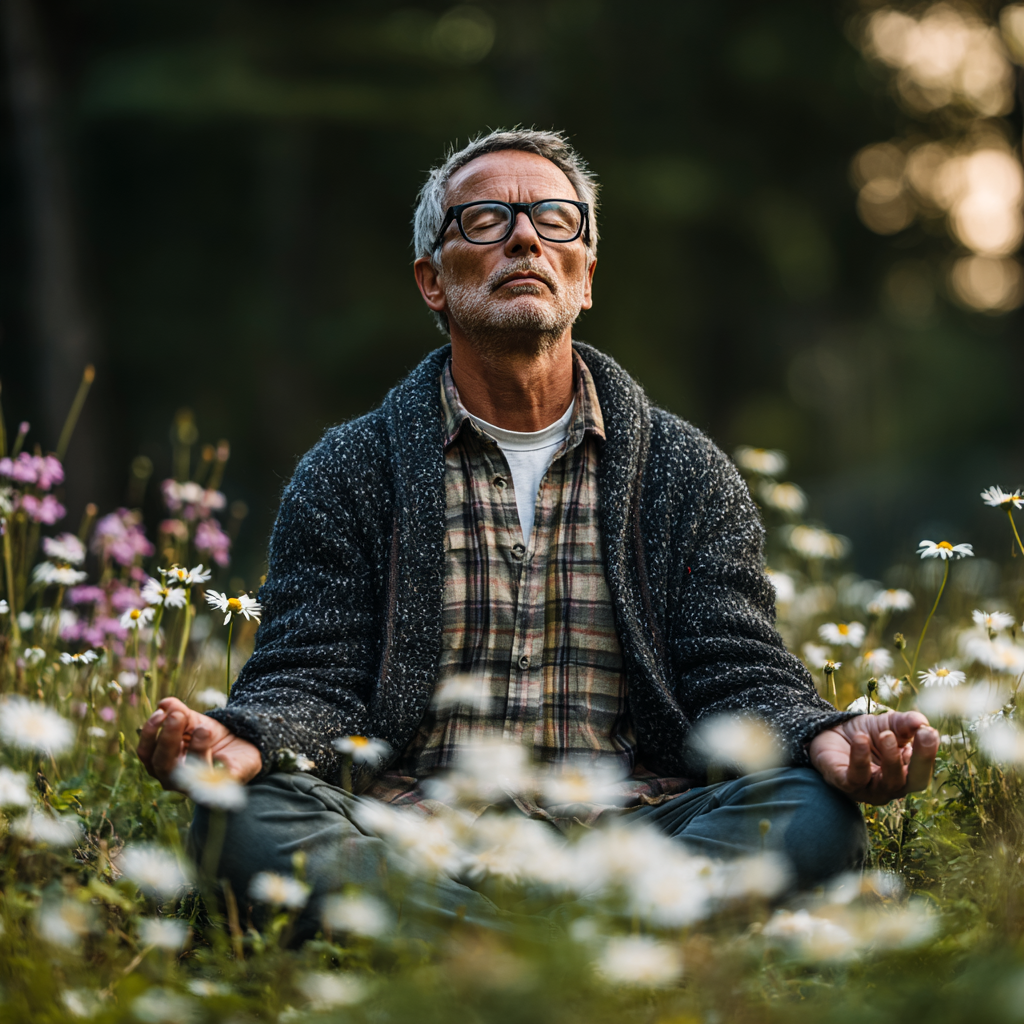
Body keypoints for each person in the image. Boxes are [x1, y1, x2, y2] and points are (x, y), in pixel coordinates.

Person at [137, 128, 939, 940]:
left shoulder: (683, 469)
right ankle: (590, 950)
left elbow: (733, 672)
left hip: (632, 835)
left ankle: (464, 947)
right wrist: (247, 737)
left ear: (585, 277)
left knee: (811, 812)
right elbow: (311, 674)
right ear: (432, 282)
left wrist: (822, 734)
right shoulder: (349, 468)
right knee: (242, 819)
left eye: (557, 220)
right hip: (411, 833)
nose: (525, 236)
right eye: (484, 220)